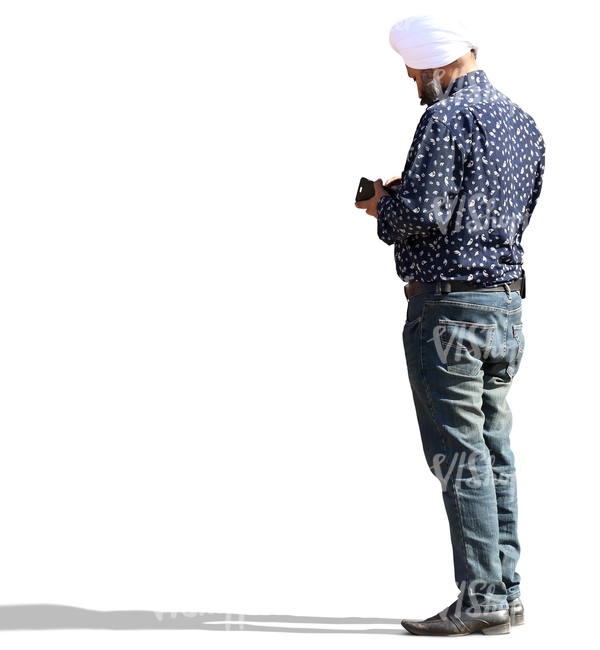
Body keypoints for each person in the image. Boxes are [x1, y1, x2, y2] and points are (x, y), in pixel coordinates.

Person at [355, 13, 545, 637]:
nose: (410, 78)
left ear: (437, 62)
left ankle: (481, 596)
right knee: (493, 450)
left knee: (459, 455)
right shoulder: (524, 124)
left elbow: (426, 217)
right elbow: (509, 211)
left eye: (412, 67)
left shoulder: (444, 119)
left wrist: (384, 205)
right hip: (505, 306)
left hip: (447, 313)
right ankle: (507, 591)